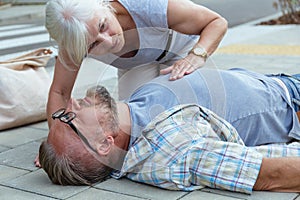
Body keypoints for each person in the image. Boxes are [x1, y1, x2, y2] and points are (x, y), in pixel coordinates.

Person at [39, 67, 300, 194]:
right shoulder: (173, 153)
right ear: (104, 145)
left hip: (273, 79)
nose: (71, 102)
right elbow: (270, 175)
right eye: (69, 118)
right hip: (292, 101)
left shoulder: (129, 117)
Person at [44, 0, 228, 125]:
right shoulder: (73, 43)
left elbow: (216, 22)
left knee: (184, 110)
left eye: (103, 26)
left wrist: (196, 55)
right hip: (134, 65)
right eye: (93, 45)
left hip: (179, 50)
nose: (110, 41)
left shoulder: (149, 5)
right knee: (135, 122)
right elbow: (60, 92)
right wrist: (57, 141)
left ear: (105, 6)